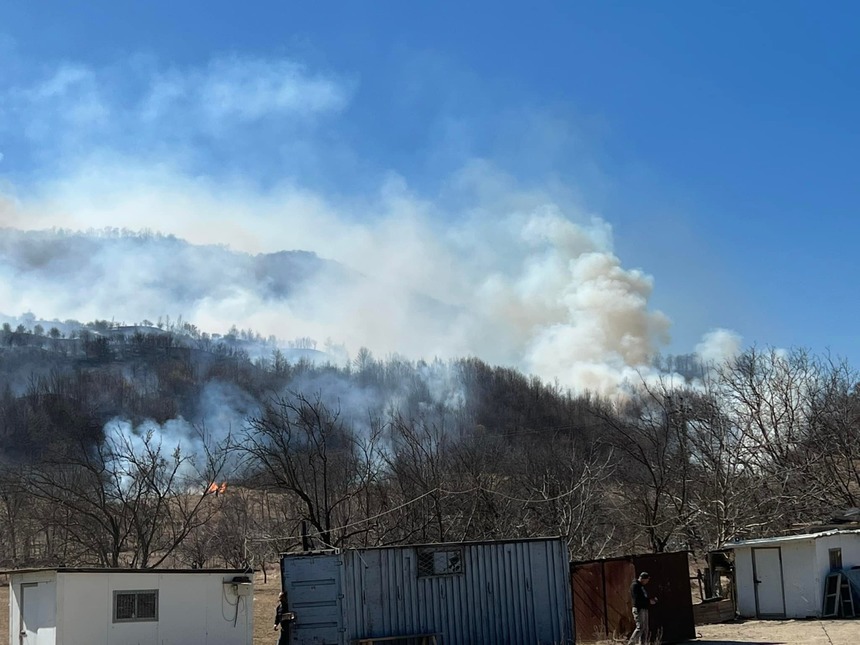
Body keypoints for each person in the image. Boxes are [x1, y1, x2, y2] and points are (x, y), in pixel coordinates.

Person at [628, 571, 658, 645]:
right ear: (643, 579)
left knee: (645, 629)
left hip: (644, 608)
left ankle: (643, 643)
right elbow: (638, 599)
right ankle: (631, 643)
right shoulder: (635, 586)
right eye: (646, 580)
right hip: (639, 609)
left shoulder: (641, 586)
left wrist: (650, 600)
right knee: (640, 628)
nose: (647, 582)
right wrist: (649, 601)